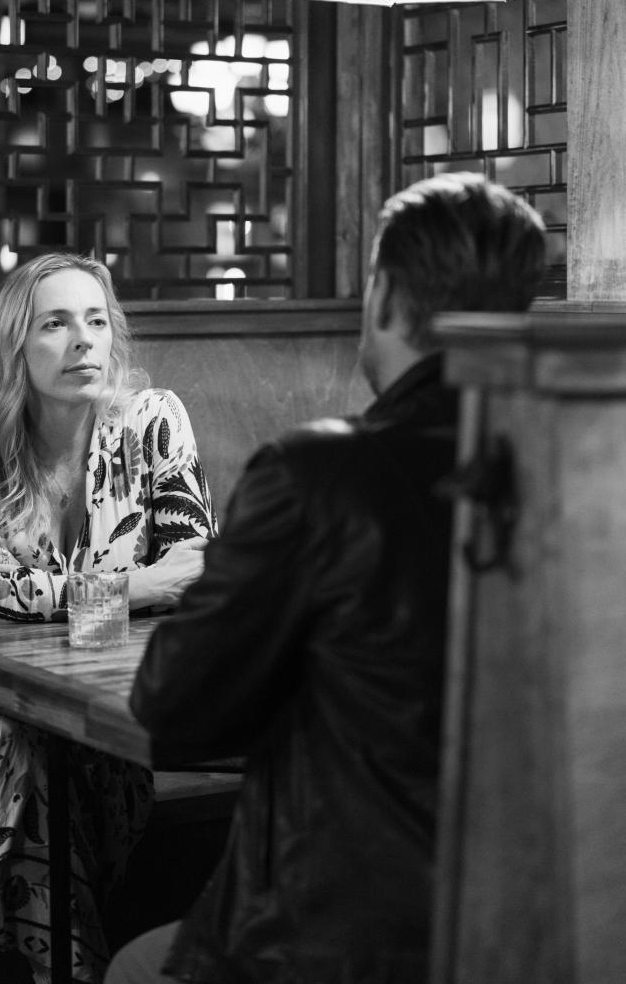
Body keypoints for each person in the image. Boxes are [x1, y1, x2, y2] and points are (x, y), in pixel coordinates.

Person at [104, 174, 546, 984]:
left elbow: (172, 705)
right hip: (544, 913)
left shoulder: (318, 473)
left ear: (384, 296)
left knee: (134, 967)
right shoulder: (581, 466)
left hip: (346, 928)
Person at [0, 252, 217, 984]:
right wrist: (140, 585)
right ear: (16, 345)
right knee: (10, 751)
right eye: (56, 324)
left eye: (96, 321)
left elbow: (198, 576)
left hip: (97, 709)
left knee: (38, 762)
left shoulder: (153, 423)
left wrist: (52, 596)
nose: (83, 341)